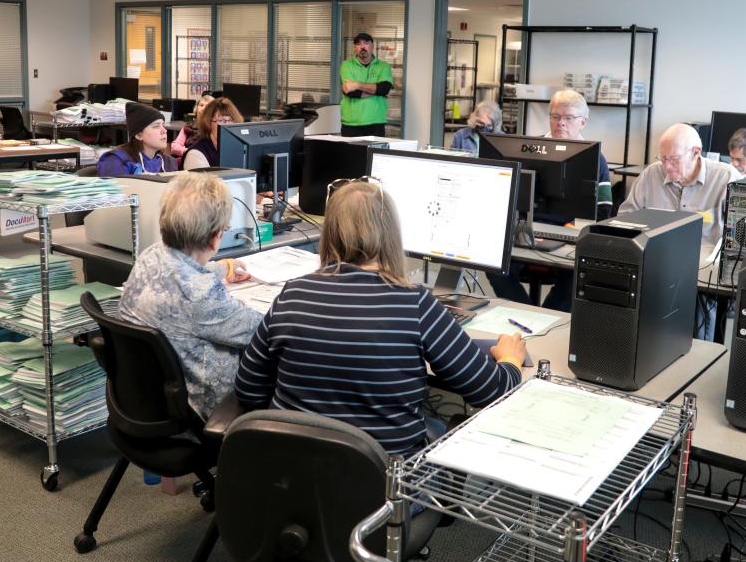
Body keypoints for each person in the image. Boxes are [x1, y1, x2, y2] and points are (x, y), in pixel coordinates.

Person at [234, 180, 526, 456]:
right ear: (390, 234)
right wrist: (511, 360)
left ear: (329, 233)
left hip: (289, 478)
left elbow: (248, 388)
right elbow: (492, 392)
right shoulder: (415, 304)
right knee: (438, 427)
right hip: (384, 493)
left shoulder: (292, 294)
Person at [117, 173, 258, 419]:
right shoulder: (201, 295)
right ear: (215, 237)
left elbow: (183, 271)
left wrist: (223, 268)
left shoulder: (151, 256)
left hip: (148, 401)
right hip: (203, 410)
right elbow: (263, 331)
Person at [486, 89, 608, 312]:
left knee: (576, 276)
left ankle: (543, 316)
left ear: (583, 122)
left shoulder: (596, 159)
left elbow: (604, 208)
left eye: (568, 118)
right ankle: (525, 314)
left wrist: (577, 228)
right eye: (555, 116)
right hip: (525, 228)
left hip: (568, 234)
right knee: (493, 262)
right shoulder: (529, 148)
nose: (561, 123)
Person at [619, 122, 740, 341]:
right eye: (662, 158)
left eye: (673, 159)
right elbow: (625, 219)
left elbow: (741, 234)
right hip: (656, 266)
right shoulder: (650, 175)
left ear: (695, 153)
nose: (666, 166)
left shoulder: (726, 178)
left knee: (700, 318)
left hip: (703, 273)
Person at [96, 102, 173, 176]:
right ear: (139, 135)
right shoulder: (115, 161)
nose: (164, 131)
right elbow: (116, 188)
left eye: (163, 125)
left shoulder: (168, 162)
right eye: (156, 126)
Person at [339, 32, 393, 137]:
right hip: (351, 124)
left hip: (376, 123)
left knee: (374, 154)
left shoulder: (383, 66)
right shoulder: (347, 65)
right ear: (355, 48)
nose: (362, 47)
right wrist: (377, 91)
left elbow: (384, 89)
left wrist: (357, 84)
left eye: (366, 43)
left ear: (372, 46)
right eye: (358, 44)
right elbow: (352, 93)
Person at [182, 97, 242, 170]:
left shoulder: (237, 149)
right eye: (221, 120)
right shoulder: (195, 154)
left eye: (231, 120)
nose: (227, 125)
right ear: (208, 123)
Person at [169, 94, 213, 161]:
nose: (204, 108)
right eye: (201, 105)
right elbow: (175, 147)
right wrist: (188, 152)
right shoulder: (188, 127)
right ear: (196, 108)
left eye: (208, 106)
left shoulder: (214, 129)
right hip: (186, 158)